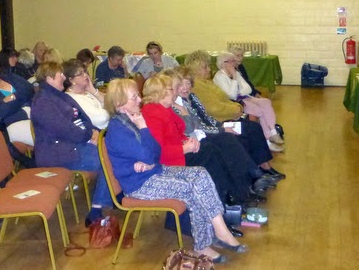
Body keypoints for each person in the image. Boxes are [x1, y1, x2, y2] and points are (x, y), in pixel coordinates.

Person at [104, 78, 247, 263]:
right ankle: (203, 244)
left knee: (200, 173)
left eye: (138, 95)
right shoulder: (118, 129)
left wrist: (148, 158)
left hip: (153, 172)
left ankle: (220, 230)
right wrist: (144, 129)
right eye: (134, 97)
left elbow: (155, 152)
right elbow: (151, 155)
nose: (139, 100)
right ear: (119, 103)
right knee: (189, 188)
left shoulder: (131, 120)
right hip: (139, 185)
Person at [140, 75, 255, 206]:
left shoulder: (164, 109)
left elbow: (180, 131)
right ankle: (230, 197)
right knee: (211, 152)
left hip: (179, 150)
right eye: (171, 89)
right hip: (170, 160)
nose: (174, 92)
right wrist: (184, 148)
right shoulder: (152, 115)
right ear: (160, 93)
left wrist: (187, 141)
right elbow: (158, 151)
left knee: (217, 145)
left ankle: (236, 193)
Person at [30, 61, 113, 226]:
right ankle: (97, 210)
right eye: (60, 74)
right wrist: (89, 136)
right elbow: (65, 130)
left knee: (114, 152)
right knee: (108, 158)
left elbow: (84, 118)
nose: (63, 77)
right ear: (49, 79)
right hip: (58, 152)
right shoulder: (43, 102)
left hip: (74, 144)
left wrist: (94, 131)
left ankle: (112, 195)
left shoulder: (59, 96)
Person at [175, 67, 285, 180]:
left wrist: (221, 125)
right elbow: (199, 127)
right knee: (234, 138)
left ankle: (264, 166)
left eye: (188, 83)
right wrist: (222, 129)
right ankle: (254, 174)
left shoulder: (192, 97)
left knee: (253, 127)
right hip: (203, 134)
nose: (185, 87)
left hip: (214, 126)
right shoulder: (178, 104)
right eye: (181, 84)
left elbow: (207, 117)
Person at [213, 52, 284, 150]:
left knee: (266, 102)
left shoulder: (236, 72)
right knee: (258, 110)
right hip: (234, 102)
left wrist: (239, 90)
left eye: (232, 61)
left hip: (245, 97)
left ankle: (273, 132)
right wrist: (234, 79)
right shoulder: (219, 77)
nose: (232, 63)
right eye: (228, 61)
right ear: (221, 64)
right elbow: (232, 95)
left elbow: (248, 89)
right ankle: (267, 141)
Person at [64, 59, 110, 130]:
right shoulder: (73, 98)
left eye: (85, 71)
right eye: (81, 73)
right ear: (71, 80)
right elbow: (102, 119)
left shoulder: (86, 92)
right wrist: (110, 109)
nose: (86, 75)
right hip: (101, 133)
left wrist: (93, 91)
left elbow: (110, 102)